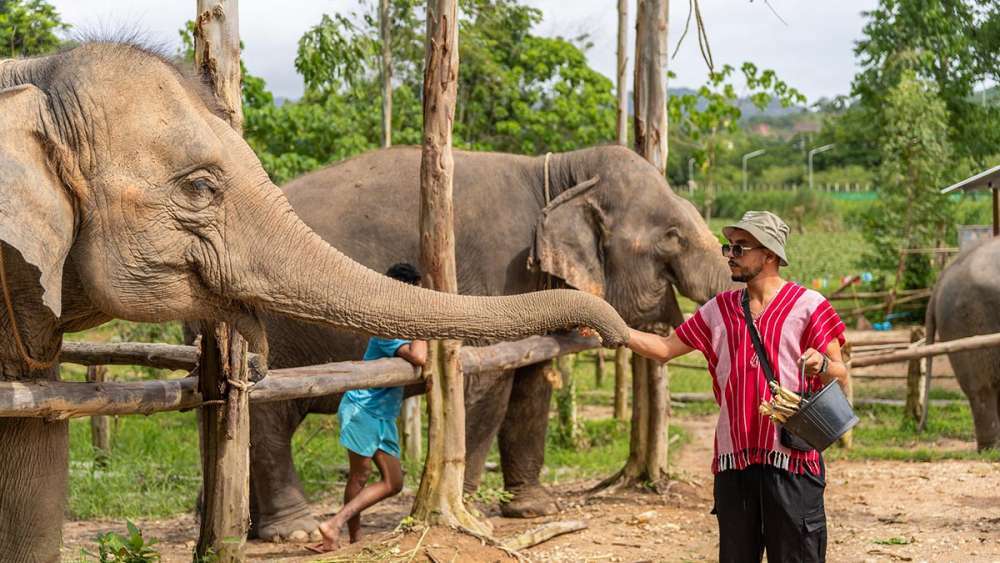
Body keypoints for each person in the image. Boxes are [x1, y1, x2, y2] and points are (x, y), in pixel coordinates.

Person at [627, 211, 847, 563]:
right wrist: (615, 330)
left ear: (770, 255)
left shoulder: (809, 306)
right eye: (729, 247)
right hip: (736, 463)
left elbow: (839, 373)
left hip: (791, 459)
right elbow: (665, 349)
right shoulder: (719, 309)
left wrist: (822, 365)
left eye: (740, 248)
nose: (730, 255)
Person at [311, 262, 428, 554]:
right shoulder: (387, 328)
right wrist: (426, 323)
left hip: (382, 414)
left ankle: (339, 530)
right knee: (360, 475)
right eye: (413, 291)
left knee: (395, 482)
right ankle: (346, 535)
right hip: (362, 409)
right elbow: (419, 357)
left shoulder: (400, 323)